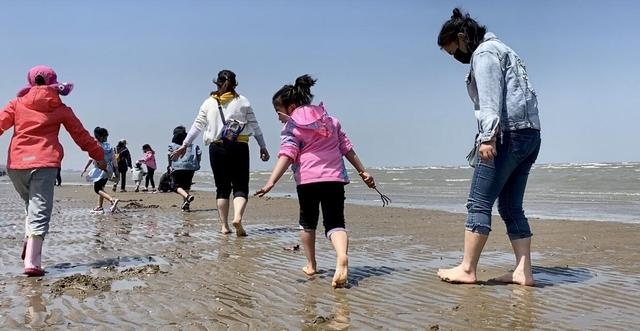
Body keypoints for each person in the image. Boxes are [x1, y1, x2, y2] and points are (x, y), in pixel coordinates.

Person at [435, 8, 542, 286]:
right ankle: (523, 271)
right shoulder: (507, 50)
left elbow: (491, 98)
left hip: (506, 135)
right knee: (510, 206)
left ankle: (468, 269)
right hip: (530, 135)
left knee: (478, 202)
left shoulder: (484, 54)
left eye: (453, 50)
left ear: (462, 37)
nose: (455, 57)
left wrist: (486, 138)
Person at [255, 75, 376, 288]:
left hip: (308, 181)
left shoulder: (292, 126)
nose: (278, 118)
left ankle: (311, 264)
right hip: (334, 179)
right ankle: (342, 256)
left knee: (308, 223)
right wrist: (363, 172)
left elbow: (287, 155)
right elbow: (346, 148)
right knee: (335, 222)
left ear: (290, 107)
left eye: (278, 112)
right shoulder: (331, 121)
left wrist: (271, 182)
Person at [0, 65, 106, 276]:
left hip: (17, 165)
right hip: (44, 165)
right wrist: (99, 156)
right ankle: (32, 262)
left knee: (31, 206)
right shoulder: (61, 109)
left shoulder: (16, 104)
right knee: (39, 210)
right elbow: (81, 135)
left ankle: (30, 240)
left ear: (30, 82)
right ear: (54, 84)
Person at [171, 69, 270, 236]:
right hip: (239, 147)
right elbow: (255, 126)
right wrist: (263, 146)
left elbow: (197, 126)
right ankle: (237, 217)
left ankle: (224, 226)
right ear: (235, 84)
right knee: (240, 186)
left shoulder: (208, 102)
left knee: (222, 188)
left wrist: (185, 144)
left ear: (217, 83)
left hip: (216, 148)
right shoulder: (243, 101)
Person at [81, 127, 120, 214]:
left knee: (97, 189)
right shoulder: (109, 147)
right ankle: (100, 207)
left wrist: (85, 168)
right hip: (108, 169)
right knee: (101, 188)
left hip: (100, 169)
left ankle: (112, 200)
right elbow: (114, 159)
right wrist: (116, 170)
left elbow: (91, 159)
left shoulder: (96, 146)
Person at [168, 126, 202, 211]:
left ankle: (187, 197)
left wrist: (169, 166)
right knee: (186, 186)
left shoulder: (172, 145)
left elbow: (170, 155)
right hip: (190, 167)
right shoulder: (194, 146)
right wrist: (197, 164)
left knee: (175, 186)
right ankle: (186, 205)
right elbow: (199, 154)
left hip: (177, 167)